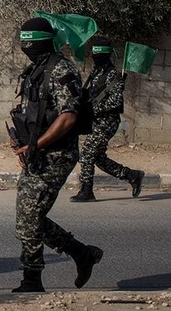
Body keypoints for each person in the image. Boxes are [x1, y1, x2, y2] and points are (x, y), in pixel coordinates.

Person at [9, 17, 103, 293]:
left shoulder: (62, 69)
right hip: (37, 153)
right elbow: (35, 113)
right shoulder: (35, 70)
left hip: (57, 155)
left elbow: (68, 117)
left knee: (29, 219)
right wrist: (23, 143)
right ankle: (82, 253)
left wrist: (36, 145)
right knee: (28, 218)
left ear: (42, 42)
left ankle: (32, 280)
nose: (26, 47)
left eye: (29, 43)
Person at [71, 37, 144, 202]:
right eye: (94, 54)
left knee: (87, 153)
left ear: (106, 55)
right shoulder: (97, 72)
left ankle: (87, 191)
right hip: (97, 121)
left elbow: (115, 101)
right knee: (98, 157)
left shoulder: (112, 74)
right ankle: (132, 175)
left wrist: (93, 109)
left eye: (98, 54)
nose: (95, 57)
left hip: (107, 121)